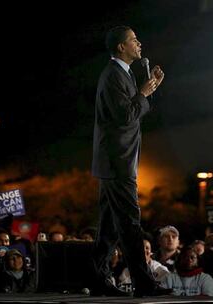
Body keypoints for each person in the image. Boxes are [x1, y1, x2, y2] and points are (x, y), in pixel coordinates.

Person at [91, 25, 166, 297]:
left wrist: (149, 86)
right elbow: (125, 116)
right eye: (134, 40)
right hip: (117, 163)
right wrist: (143, 92)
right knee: (130, 224)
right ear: (121, 47)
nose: (139, 43)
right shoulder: (112, 75)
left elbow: (134, 111)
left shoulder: (124, 75)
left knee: (110, 227)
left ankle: (98, 279)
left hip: (118, 162)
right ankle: (144, 283)